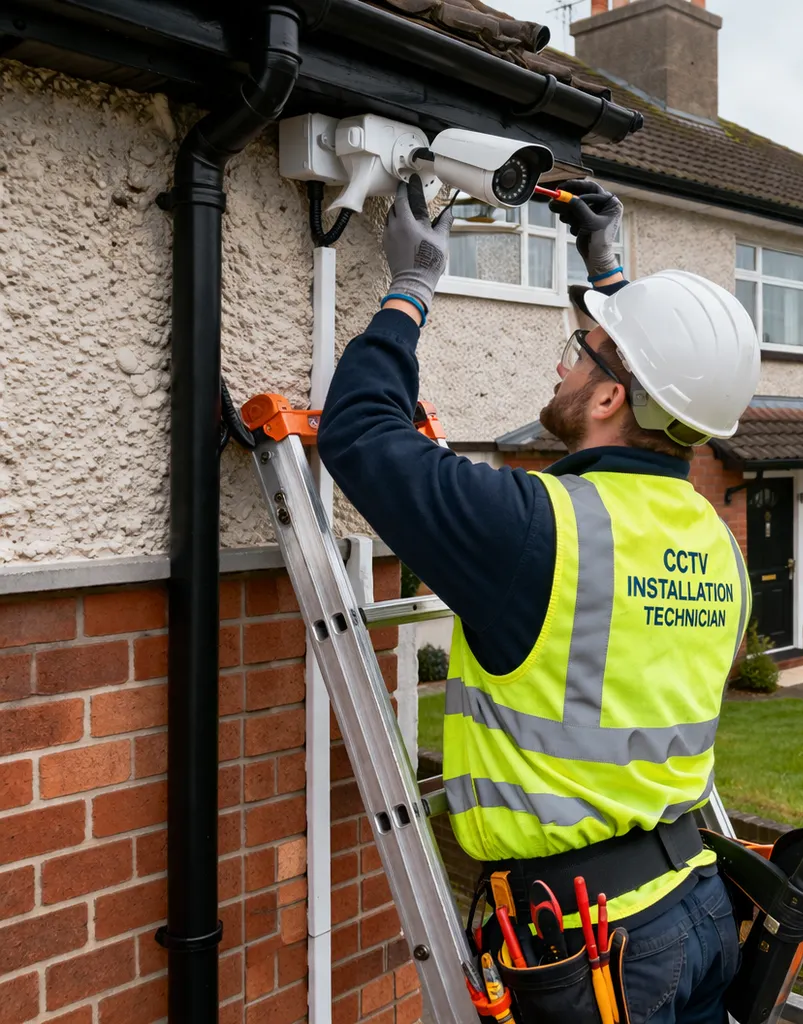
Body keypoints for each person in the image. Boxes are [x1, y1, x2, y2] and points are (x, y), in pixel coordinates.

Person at [318, 174, 761, 1024]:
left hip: (598, 947)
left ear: (605, 398)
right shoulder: (719, 546)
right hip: (695, 911)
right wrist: (613, 273)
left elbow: (361, 432)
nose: (560, 360)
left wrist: (411, 285)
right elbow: (661, 385)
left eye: (578, 348)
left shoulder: (537, 530)